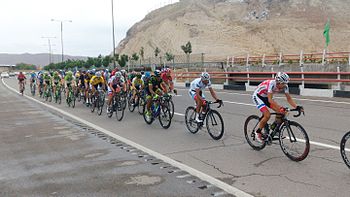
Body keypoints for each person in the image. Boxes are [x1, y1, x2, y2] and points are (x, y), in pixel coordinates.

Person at [252, 72, 304, 142]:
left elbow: (289, 98)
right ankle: (257, 132)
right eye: (283, 83)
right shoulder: (271, 84)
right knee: (267, 115)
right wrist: (280, 107)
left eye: (286, 83)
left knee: (282, 112)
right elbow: (270, 100)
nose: (285, 85)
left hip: (266, 96)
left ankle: (275, 129)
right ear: (278, 82)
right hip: (258, 96)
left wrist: (297, 106)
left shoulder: (285, 86)